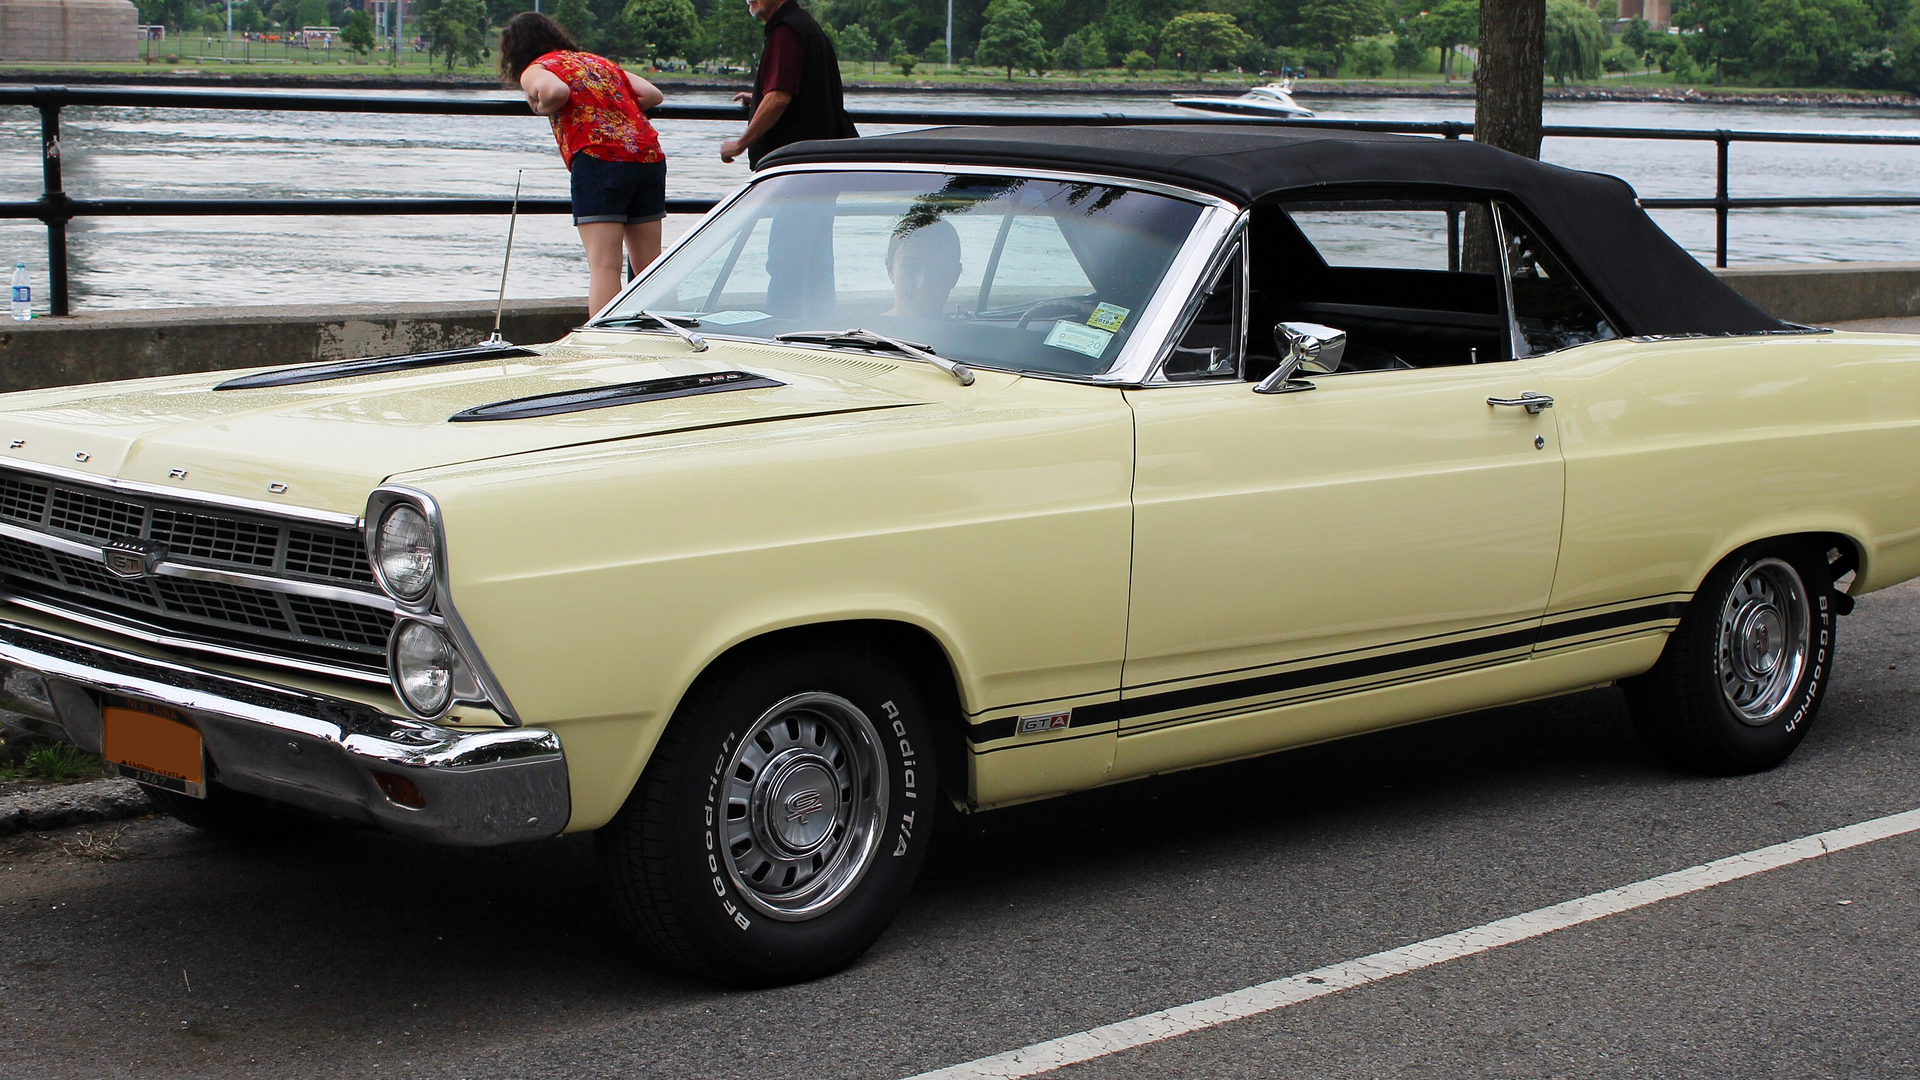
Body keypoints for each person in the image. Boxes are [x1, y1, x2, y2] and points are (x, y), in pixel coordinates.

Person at [499, 12, 667, 316]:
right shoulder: (596, 62)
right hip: (647, 155)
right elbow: (653, 95)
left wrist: (539, 106)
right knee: (650, 265)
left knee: (605, 265)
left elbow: (555, 92)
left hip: (599, 160)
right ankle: (660, 333)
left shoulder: (537, 67)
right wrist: (609, 107)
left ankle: (605, 339)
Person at [721, 0, 856, 167]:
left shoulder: (786, 32)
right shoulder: (805, 25)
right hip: (816, 159)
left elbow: (779, 97)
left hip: (794, 164)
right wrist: (759, 99)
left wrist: (739, 145)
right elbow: (809, 91)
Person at [881, 220, 963, 318]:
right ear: (890, 270)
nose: (922, 283)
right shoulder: (866, 327)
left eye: (937, 271)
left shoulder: (871, 325)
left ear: (954, 276)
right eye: (910, 267)